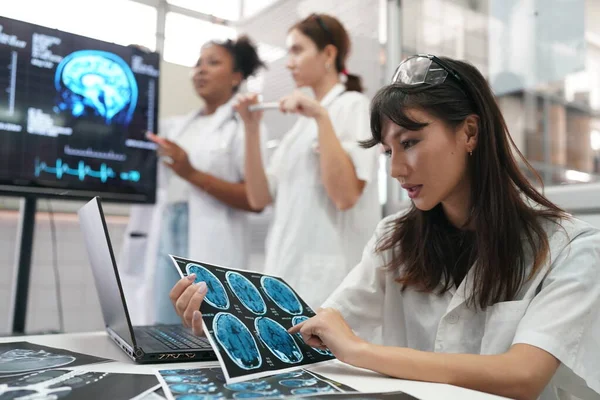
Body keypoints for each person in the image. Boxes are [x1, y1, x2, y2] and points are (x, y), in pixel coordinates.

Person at [170, 55, 600, 400]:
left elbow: (522, 376)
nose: (396, 169)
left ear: (469, 132)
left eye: (410, 142)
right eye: (387, 151)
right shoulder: (395, 237)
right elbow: (322, 324)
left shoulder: (570, 247)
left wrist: (361, 352)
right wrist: (224, 323)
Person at [234, 13, 381, 308]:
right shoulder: (299, 128)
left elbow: (346, 196)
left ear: (328, 53)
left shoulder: (353, 106)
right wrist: (251, 128)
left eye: (297, 50)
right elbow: (259, 197)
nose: (289, 62)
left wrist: (321, 118)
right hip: (284, 274)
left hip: (330, 285)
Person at [120, 36, 266, 324]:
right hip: (166, 234)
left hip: (213, 243)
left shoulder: (245, 127)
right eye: (198, 63)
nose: (201, 70)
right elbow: (136, 130)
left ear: (236, 77)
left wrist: (191, 173)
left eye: (213, 63)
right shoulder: (177, 126)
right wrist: (137, 72)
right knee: (162, 325)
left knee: (203, 329)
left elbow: (255, 200)